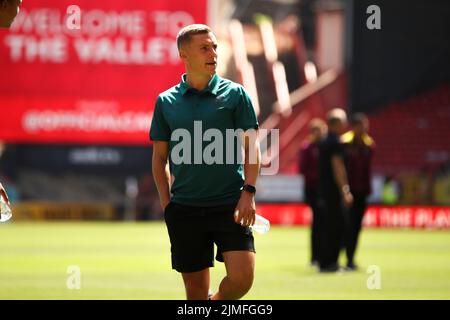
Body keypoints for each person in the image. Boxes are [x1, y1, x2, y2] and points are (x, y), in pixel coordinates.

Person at [150, 24, 260, 300]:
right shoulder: (166, 101)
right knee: (195, 294)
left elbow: (253, 149)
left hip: (230, 204)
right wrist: (167, 205)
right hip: (185, 208)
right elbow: (159, 158)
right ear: (183, 54)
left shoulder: (236, 95)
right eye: (204, 48)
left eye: (214, 47)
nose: (213, 53)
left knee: (242, 278)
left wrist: (249, 192)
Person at [317, 108, 353, 272]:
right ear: (337, 123)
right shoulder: (336, 143)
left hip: (323, 190)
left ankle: (324, 261)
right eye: (343, 121)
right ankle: (332, 262)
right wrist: (345, 190)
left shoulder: (324, 141)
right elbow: (338, 167)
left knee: (325, 226)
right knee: (336, 226)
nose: (346, 124)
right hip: (333, 191)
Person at [341, 113, 375, 271]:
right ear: (354, 126)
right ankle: (335, 256)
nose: (365, 128)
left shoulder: (369, 145)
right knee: (344, 225)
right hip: (347, 191)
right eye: (362, 124)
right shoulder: (345, 143)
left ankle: (350, 259)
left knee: (356, 227)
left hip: (362, 192)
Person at [299, 118, 327, 267]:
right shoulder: (308, 147)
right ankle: (315, 257)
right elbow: (303, 169)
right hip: (314, 190)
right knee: (318, 224)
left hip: (323, 189)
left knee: (322, 223)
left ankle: (322, 256)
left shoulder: (323, 146)